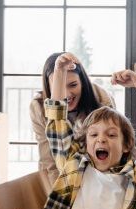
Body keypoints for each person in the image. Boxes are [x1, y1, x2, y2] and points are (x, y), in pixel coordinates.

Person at [43, 53, 136, 209]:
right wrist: (59, 71)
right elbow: (57, 125)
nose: (101, 139)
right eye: (93, 135)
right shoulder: (73, 166)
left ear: (126, 145)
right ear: (85, 143)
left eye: (111, 135)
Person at [30, 52, 116, 193]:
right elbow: (48, 161)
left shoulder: (102, 99)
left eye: (73, 85)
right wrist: (60, 199)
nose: (67, 94)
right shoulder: (38, 107)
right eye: (58, 86)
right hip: (64, 175)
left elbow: (111, 154)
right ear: (48, 86)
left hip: (98, 176)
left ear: (82, 82)